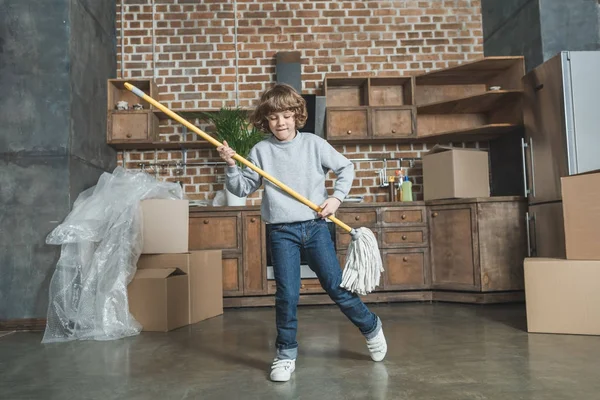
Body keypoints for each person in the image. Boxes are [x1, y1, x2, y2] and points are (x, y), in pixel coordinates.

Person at [217, 83, 387, 382]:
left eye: (286, 115)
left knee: (336, 287)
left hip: (316, 227)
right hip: (281, 232)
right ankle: (285, 353)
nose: (280, 122)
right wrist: (231, 165)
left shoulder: (313, 144)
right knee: (287, 294)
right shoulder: (260, 151)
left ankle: (370, 325)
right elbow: (241, 188)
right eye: (273, 117)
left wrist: (335, 198)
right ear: (265, 120)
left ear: (296, 115)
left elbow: (346, 168)